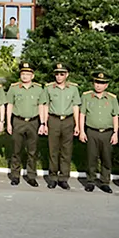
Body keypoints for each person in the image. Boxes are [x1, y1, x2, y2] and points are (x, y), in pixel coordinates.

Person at [78, 71, 119, 194]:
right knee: (92, 157)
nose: (98, 85)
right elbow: (82, 114)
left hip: (107, 132)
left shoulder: (112, 99)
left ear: (106, 85)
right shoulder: (86, 97)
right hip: (92, 131)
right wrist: (81, 131)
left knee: (106, 158)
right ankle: (90, 181)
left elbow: (115, 116)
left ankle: (105, 182)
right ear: (93, 83)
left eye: (102, 83)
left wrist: (116, 132)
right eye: (97, 82)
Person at [41, 62, 80, 190]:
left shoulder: (73, 89)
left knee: (66, 151)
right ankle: (52, 177)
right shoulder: (49, 88)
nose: (59, 77)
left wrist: (77, 125)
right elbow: (45, 105)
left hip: (68, 121)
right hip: (53, 120)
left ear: (67, 75)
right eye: (57, 74)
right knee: (53, 150)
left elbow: (75, 107)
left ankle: (63, 178)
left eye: (62, 74)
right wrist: (44, 123)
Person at [5, 61, 44, 187]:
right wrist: (8, 123)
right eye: (23, 73)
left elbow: (42, 106)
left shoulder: (38, 89)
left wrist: (43, 123)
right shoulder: (14, 88)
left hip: (33, 122)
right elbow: (9, 105)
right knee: (16, 150)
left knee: (32, 151)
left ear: (32, 76)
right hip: (18, 121)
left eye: (28, 74)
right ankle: (15, 175)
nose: (25, 76)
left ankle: (31, 176)